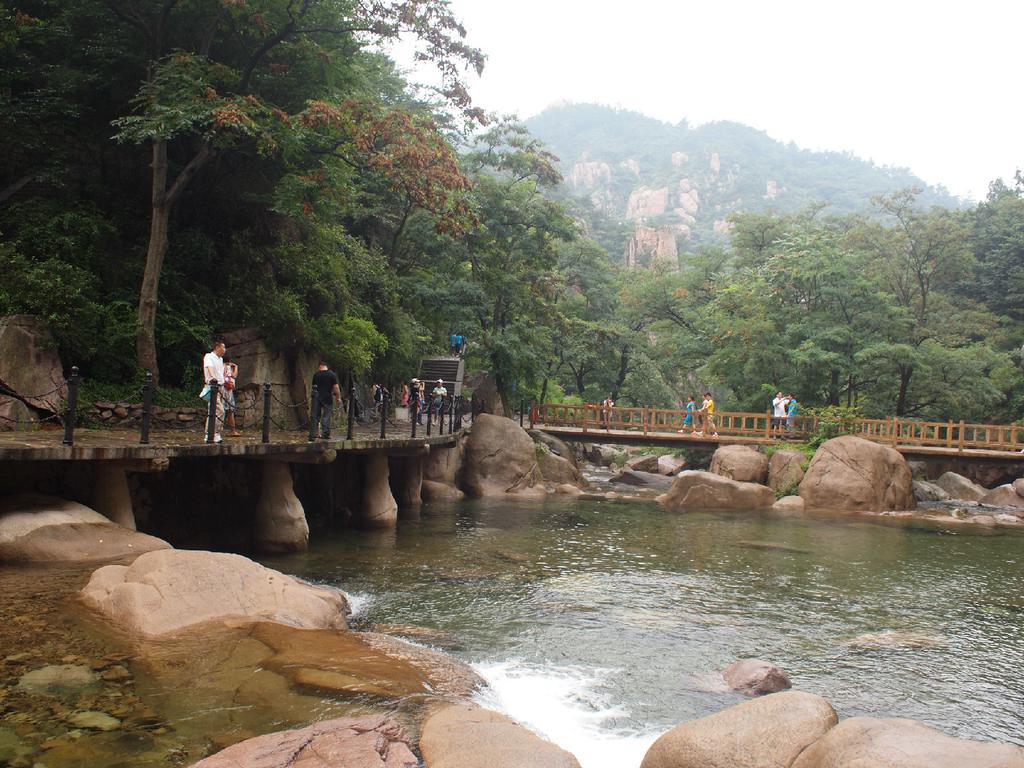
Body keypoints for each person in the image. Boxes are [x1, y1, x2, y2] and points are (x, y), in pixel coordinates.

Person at [200, 341, 226, 443]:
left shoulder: (221, 359)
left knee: (215, 410)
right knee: (219, 410)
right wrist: (213, 378)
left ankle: (216, 433)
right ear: (217, 347)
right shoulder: (209, 356)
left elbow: (220, 372)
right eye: (223, 347)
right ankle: (210, 433)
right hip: (213, 386)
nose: (225, 350)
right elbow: (209, 367)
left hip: (221, 386)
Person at [310, 360, 341, 440]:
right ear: (326, 366)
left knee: (316, 416)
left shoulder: (316, 375)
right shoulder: (331, 374)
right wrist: (338, 398)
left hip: (316, 398)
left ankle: (314, 434)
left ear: (319, 366)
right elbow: (336, 387)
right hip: (327, 397)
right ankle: (325, 434)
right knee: (326, 416)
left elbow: (313, 387)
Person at [222, 354, 241, 437]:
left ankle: (213, 430)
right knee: (230, 410)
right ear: (229, 360)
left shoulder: (220, 366)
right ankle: (232, 431)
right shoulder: (226, 367)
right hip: (226, 390)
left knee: (223, 410)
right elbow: (234, 376)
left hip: (224, 389)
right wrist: (236, 367)